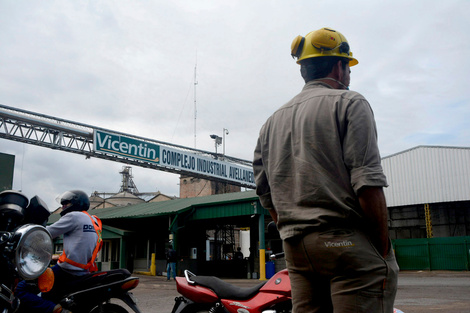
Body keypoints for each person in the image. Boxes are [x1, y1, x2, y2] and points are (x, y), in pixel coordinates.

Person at [253, 27, 399, 313]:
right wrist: (381, 247)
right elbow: (367, 183)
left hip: (297, 251)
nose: (349, 75)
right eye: (348, 67)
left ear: (304, 69)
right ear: (338, 66)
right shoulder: (350, 103)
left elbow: (266, 195)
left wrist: (292, 231)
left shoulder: (270, 123)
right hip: (345, 244)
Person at [16, 190, 102, 313]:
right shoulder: (94, 220)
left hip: (67, 271)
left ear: (76, 203)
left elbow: (44, 234)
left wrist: (21, 234)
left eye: (66, 203)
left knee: (21, 289)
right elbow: (81, 246)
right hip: (84, 271)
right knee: (47, 293)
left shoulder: (74, 216)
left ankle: (55, 309)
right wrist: (56, 257)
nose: (63, 206)